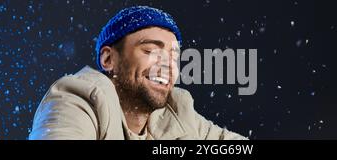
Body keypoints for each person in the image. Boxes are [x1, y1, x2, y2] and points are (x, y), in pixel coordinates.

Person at [29, 6, 247, 140]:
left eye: (173, 56)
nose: (167, 64)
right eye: (151, 50)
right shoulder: (79, 98)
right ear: (108, 59)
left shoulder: (178, 112)